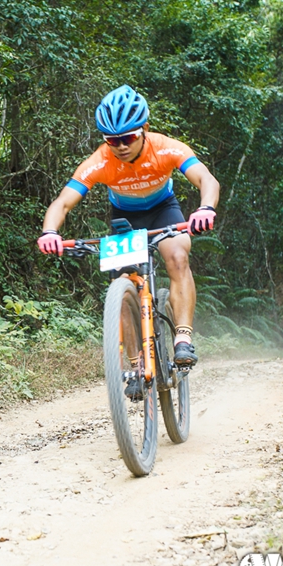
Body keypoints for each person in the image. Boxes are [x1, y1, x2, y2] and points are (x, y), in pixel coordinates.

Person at [37, 85, 220, 367]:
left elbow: (206, 180)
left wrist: (205, 208)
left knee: (177, 256)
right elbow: (62, 202)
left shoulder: (165, 147)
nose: (121, 146)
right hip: (126, 218)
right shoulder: (100, 161)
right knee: (121, 285)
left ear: (144, 128)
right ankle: (136, 363)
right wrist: (50, 232)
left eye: (129, 137)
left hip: (164, 212)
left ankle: (183, 338)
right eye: (112, 140)